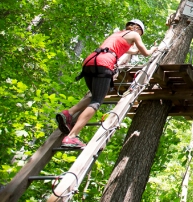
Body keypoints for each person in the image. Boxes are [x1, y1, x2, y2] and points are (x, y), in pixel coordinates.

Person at [56, 19, 156, 148]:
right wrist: (153, 49)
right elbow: (145, 53)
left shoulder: (117, 35)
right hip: (104, 64)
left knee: (96, 94)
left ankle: (68, 113)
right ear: (137, 28)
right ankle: (71, 137)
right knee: (97, 101)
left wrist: (135, 51)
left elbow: (126, 51)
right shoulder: (135, 34)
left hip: (90, 61)